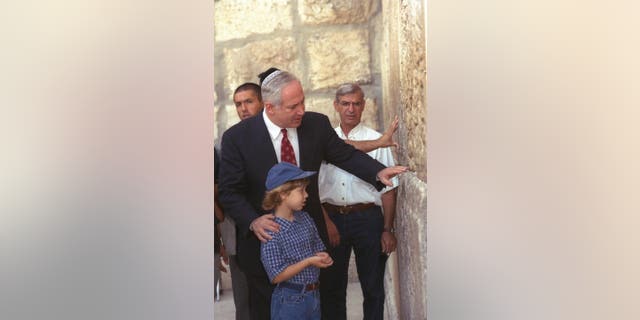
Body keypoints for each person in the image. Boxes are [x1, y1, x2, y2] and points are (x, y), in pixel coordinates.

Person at [218, 68, 407, 320]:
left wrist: (377, 172)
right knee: (268, 310)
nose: (301, 111)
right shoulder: (237, 138)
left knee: (322, 305)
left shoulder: (316, 124)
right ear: (270, 107)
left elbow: (343, 154)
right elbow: (229, 192)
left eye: (303, 102)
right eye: (293, 106)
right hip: (265, 245)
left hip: (311, 238)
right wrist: (252, 221)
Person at [319, 83, 399, 320]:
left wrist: (387, 229)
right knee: (332, 287)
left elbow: (389, 191)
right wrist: (326, 223)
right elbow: (313, 187)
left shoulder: (377, 140)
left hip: (368, 219)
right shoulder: (324, 141)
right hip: (332, 219)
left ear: (364, 105)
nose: (351, 109)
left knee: (373, 287)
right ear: (336, 106)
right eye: (345, 103)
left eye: (356, 103)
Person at [260, 162, 334, 320]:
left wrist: (322, 257)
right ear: (283, 194)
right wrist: (308, 262)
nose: (306, 195)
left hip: (313, 296)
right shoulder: (270, 230)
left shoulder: (305, 218)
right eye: (301, 190)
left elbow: (316, 249)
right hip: (289, 300)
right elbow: (276, 276)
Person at [217, 82, 264, 320]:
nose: (243, 108)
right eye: (238, 104)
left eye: (249, 102)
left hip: (274, 227)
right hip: (239, 231)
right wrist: (222, 241)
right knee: (245, 298)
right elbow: (224, 191)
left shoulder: (275, 135)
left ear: (263, 101)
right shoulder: (229, 140)